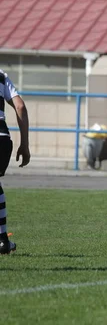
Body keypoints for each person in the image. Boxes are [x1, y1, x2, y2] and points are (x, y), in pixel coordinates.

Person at [0, 69, 30, 255]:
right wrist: (24, 145)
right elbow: (20, 107)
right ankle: (2, 239)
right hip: (2, 138)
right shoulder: (1, 75)